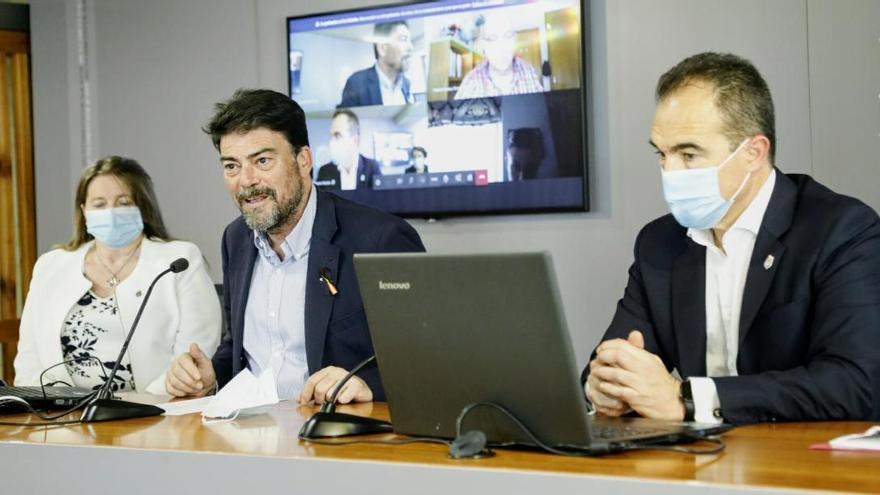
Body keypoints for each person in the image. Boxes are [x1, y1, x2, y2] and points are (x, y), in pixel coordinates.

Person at [584, 52, 880, 425]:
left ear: (754, 153)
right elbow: (613, 361)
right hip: (694, 469)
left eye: (688, 154)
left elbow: (855, 384)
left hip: (799, 465)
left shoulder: (840, 229)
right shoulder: (659, 243)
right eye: (662, 154)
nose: (669, 172)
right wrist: (605, 387)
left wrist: (689, 400)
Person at [166, 89, 425, 404]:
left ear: (304, 161)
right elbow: (239, 349)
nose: (246, 180)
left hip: (335, 435)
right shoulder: (235, 240)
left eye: (262, 161)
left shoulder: (380, 240)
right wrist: (211, 376)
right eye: (231, 166)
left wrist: (365, 383)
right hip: (250, 436)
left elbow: (426, 357)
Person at [14, 156, 221, 394]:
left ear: (142, 207)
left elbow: (194, 352)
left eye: (123, 202)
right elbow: (28, 359)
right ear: (84, 211)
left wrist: (152, 403)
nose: (111, 212)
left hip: (155, 412)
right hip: (61, 415)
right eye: (99, 204)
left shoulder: (179, 260)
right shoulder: (51, 266)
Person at [454, 13, 543, 100]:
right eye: (492, 38)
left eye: (507, 36)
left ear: (515, 41)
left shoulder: (529, 71)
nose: (501, 47)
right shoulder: (471, 81)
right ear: (484, 46)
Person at [339, 21, 414, 108]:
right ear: (382, 48)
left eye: (410, 40)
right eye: (403, 39)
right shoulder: (356, 83)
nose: (411, 47)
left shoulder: (406, 83)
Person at [315, 109, 382, 191]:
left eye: (337, 135)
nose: (331, 142)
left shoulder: (372, 168)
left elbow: (380, 201)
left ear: (355, 140)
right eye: (331, 136)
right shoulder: (324, 171)